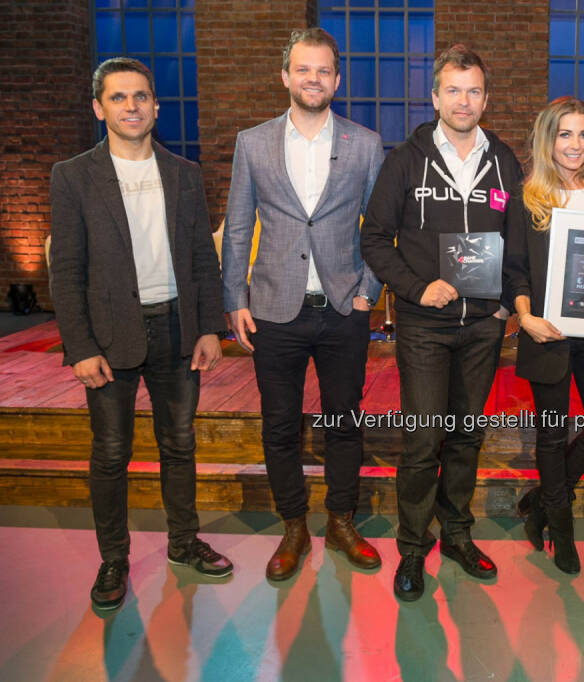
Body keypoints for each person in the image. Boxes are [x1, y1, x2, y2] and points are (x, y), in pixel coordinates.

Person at [49, 58, 232, 610]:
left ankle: (183, 542)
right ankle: (113, 561)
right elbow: (67, 270)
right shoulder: (73, 176)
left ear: (155, 105)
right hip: (109, 338)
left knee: (180, 444)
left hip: (177, 330)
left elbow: (203, 258)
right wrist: (79, 347)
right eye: (119, 97)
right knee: (110, 454)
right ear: (99, 107)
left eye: (142, 96)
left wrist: (209, 328)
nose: (132, 106)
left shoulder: (184, 173)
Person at [361, 44, 524, 601]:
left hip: (482, 327)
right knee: (423, 439)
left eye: (474, 90)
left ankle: (456, 534)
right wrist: (414, 286)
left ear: (486, 97)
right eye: (453, 90)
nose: (464, 100)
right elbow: (374, 238)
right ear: (435, 97)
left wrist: (505, 305)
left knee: (464, 437)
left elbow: (518, 242)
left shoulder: (503, 161)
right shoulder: (405, 159)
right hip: (424, 326)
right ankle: (412, 547)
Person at [222, 28, 385, 581]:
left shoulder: (364, 144)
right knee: (279, 425)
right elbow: (239, 224)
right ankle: (293, 525)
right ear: (285, 75)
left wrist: (369, 291)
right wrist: (234, 298)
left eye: (323, 71)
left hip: (344, 307)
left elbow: (380, 229)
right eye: (303, 69)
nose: (313, 79)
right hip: (273, 307)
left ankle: (341, 520)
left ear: (336, 80)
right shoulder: (253, 142)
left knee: (344, 421)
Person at [503, 96, 584, 575]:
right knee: (551, 438)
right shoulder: (527, 197)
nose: (575, 144)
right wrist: (526, 318)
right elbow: (515, 271)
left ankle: (541, 501)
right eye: (565, 134)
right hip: (546, 332)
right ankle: (562, 527)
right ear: (548, 140)